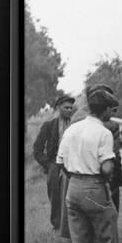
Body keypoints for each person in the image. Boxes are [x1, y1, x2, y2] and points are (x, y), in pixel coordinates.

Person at [56, 86, 119, 243]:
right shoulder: (104, 132)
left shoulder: (71, 129)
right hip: (94, 186)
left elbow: (61, 162)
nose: (112, 113)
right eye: (111, 109)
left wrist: (75, 174)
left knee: (80, 241)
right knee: (105, 238)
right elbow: (108, 167)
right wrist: (105, 174)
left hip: (72, 187)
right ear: (105, 109)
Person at [33, 94, 75, 230]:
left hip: (73, 164)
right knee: (55, 194)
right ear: (58, 108)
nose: (69, 110)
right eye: (66, 107)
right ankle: (56, 225)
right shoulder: (49, 125)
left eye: (71, 107)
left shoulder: (76, 126)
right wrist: (49, 165)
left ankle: (72, 225)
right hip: (54, 164)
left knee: (73, 194)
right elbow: (37, 149)